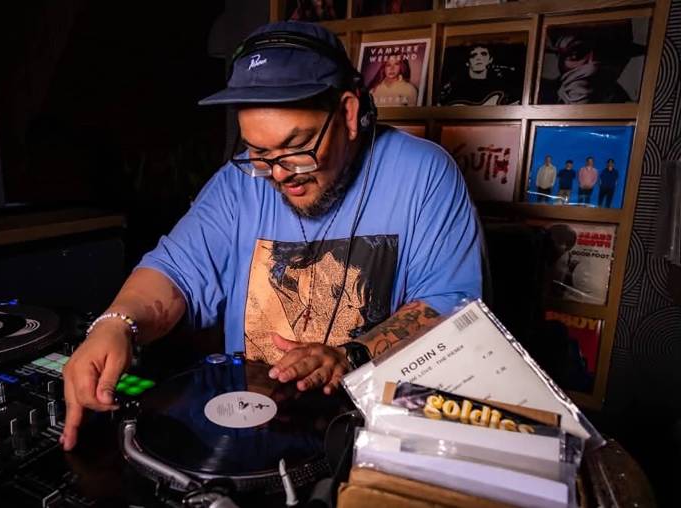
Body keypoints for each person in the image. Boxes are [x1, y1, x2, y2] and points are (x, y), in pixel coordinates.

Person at [60, 21, 482, 451]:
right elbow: (174, 271)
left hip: (372, 437)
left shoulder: (423, 173)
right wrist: (116, 325)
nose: (278, 174)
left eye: (296, 146)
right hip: (252, 432)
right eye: (259, 152)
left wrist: (349, 355)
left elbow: (451, 305)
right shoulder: (238, 181)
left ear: (350, 113)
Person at [538, 21, 646, 104]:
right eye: (576, 54)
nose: (592, 67)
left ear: (622, 62)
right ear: (559, 57)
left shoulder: (628, 111)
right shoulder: (539, 96)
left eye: (606, 55)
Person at [437, 44, 521, 106]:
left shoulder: (500, 83)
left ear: (490, 60)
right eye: (473, 55)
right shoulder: (455, 85)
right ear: (467, 62)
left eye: (483, 54)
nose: (479, 58)